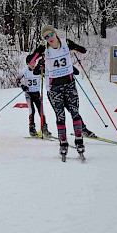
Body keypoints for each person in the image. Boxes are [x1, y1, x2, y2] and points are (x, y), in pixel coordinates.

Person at [35, 25, 87, 157]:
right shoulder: (44, 50)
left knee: (75, 113)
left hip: (69, 85)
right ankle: (63, 143)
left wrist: (75, 50)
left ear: (55, 33)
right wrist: (39, 61)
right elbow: (30, 61)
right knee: (60, 116)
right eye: (45, 37)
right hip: (54, 88)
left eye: (50, 34)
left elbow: (82, 50)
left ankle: (79, 140)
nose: (49, 38)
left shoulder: (65, 43)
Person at [16, 55, 51, 137]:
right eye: (31, 63)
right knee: (32, 110)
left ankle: (44, 128)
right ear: (27, 63)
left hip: (37, 93)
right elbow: (17, 80)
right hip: (29, 94)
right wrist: (22, 86)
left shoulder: (39, 70)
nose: (33, 64)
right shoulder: (24, 71)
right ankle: (32, 129)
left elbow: (47, 75)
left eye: (34, 62)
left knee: (41, 110)